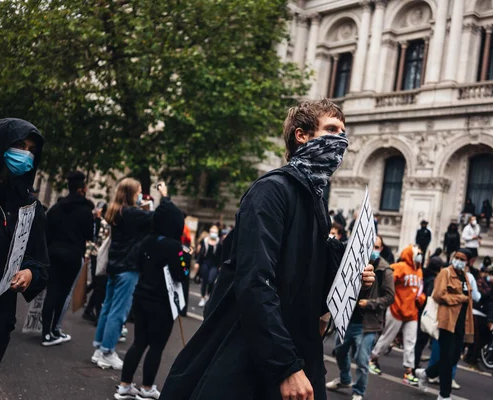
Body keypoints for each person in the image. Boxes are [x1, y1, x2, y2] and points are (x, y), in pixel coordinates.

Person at [159, 99, 375, 400]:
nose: (341, 139)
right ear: (302, 135)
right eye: (332, 129)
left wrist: (353, 276)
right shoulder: (272, 191)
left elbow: (308, 282)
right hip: (257, 357)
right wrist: (285, 367)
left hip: (297, 348)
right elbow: (256, 281)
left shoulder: (315, 199)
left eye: (343, 131)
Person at [0, 119, 50, 399]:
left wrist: (30, 273)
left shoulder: (29, 205)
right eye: (19, 146)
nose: (25, 155)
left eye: (31, 150)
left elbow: (39, 260)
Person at [114, 195, 188, 400]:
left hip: (141, 296)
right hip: (161, 303)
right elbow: (181, 274)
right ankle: (146, 388)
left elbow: (138, 264)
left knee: (138, 342)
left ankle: (124, 385)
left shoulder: (147, 240)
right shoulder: (174, 246)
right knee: (156, 346)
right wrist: (185, 260)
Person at [91, 179, 169, 370]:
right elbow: (161, 216)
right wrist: (164, 196)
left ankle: (99, 348)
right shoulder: (133, 214)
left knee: (108, 308)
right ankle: (107, 351)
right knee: (119, 312)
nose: (141, 194)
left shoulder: (116, 211)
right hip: (128, 268)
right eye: (139, 191)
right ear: (132, 193)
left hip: (114, 265)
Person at [326, 235, 395, 400]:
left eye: (377, 247)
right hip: (348, 320)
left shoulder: (384, 270)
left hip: (368, 324)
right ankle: (345, 379)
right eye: (371, 245)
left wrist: (369, 303)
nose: (373, 250)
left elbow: (390, 297)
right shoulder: (354, 262)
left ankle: (358, 392)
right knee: (340, 352)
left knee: (362, 360)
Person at [41, 171, 95, 346]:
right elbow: (89, 234)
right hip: (73, 255)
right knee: (63, 294)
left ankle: (46, 333)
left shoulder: (57, 208)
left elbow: (47, 231)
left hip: (54, 253)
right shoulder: (86, 210)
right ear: (82, 189)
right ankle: (55, 329)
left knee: (51, 291)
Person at [416, 250, 474, 400]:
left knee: (454, 358)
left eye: (463, 259)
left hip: (460, 323)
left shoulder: (465, 277)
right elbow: (438, 295)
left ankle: (426, 373)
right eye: (457, 258)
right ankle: (444, 395)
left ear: (467, 262)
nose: (459, 261)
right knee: (447, 358)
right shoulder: (445, 273)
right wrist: (459, 298)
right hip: (446, 321)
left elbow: (469, 299)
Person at [369, 245, 426, 386]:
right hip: (396, 309)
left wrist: (422, 298)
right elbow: (387, 281)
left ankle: (409, 371)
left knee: (410, 343)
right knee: (387, 338)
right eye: (417, 253)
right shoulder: (400, 267)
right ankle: (372, 359)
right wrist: (388, 297)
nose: (420, 255)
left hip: (412, 312)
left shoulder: (419, 270)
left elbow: (420, 290)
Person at [414, 248, 442, 369]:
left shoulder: (422, 274)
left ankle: (413, 363)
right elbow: (431, 297)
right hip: (426, 313)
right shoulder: (433, 280)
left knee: (416, 340)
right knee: (420, 342)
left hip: (417, 309)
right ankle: (414, 365)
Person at [83, 202, 110, 323]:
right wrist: (88, 255)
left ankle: (88, 309)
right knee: (99, 285)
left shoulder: (101, 222)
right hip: (98, 256)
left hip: (98, 256)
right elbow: (95, 241)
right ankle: (95, 313)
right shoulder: (100, 222)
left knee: (97, 284)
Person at [195, 225, 223, 307]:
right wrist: (197, 263)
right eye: (212, 232)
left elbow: (221, 255)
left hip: (214, 265)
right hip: (205, 263)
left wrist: (220, 266)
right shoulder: (205, 241)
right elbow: (200, 254)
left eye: (215, 232)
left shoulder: (219, 243)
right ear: (210, 232)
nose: (213, 234)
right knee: (204, 281)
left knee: (211, 281)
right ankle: (202, 297)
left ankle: (208, 295)